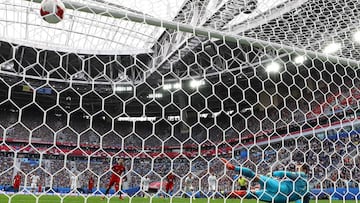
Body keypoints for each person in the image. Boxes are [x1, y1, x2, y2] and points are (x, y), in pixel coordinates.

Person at [221, 158, 310, 203]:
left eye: (299, 168)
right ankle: (232, 194)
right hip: (281, 199)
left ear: (305, 171)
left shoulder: (301, 175)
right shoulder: (307, 191)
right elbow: (301, 201)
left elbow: (286, 173)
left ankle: (233, 168)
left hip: (281, 188)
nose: (297, 170)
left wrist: (273, 174)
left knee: (255, 176)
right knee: (253, 194)